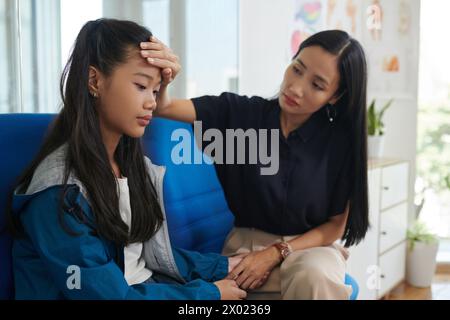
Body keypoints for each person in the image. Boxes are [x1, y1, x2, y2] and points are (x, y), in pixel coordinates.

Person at [5, 18, 248, 300]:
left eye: (155, 91)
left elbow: (144, 257)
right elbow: (106, 294)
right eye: (141, 86)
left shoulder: (134, 168)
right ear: (94, 80)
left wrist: (223, 266)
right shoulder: (58, 193)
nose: (152, 103)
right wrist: (208, 294)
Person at [140, 29, 369, 299]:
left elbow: (335, 226)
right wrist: (165, 77)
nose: (296, 88)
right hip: (245, 249)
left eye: (317, 85)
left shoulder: (340, 144)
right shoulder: (239, 114)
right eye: (297, 69)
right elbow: (164, 107)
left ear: (335, 96)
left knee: (313, 276)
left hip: (311, 251)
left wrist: (277, 252)